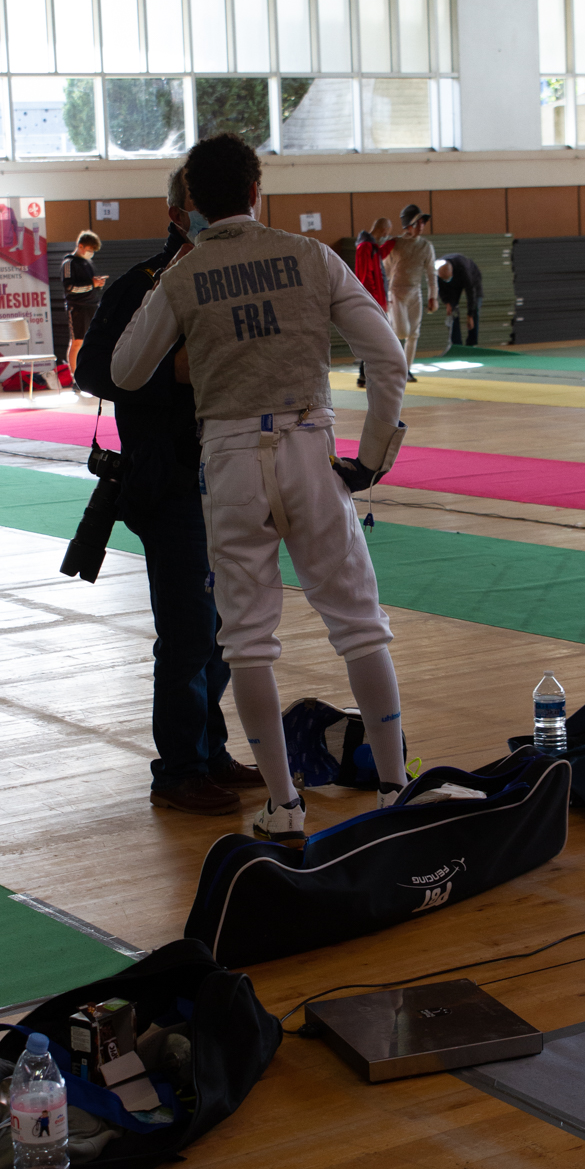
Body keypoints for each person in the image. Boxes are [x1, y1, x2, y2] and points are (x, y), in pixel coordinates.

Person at [111, 133, 409, 847]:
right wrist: (371, 459)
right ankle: (395, 788)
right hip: (309, 446)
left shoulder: (184, 273)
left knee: (246, 642)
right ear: (255, 190)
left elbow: (124, 371)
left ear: (190, 202)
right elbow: (388, 359)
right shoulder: (312, 256)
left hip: (230, 463)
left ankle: (283, 806)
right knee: (359, 625)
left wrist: (178, 289)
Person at [75, 171, 265, 817]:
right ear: (177, 211)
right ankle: (179, 769)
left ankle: (208, 751)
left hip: (233, 472)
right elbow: (92, 369)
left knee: (225, 628)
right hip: (171, 479)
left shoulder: (237, 277)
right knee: (188, 632)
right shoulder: (142, 284)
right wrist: (172, 373)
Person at [384, 204, 438, 382]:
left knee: (414, 334)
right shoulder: (395, 244)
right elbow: (386, 270)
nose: (421, 226)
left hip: (415, 292)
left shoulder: (426, 246)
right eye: (417, 223)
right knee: (401, 332)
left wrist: (433, 296)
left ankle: (406, 371)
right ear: (408, 225)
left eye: (423, 223)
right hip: (396, 293)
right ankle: (392, 365)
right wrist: (384, 295)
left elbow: (431, 273)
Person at [353, 217, 394, 388]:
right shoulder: (365, 247)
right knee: (374, 339)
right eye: (387, 232)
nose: (387, 235)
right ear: (383, 230)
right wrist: (375, 302)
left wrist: (392, 244)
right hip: (373, 302)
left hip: (377, 301)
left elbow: (379, 257)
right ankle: (365, 374)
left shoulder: (372, 247)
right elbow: (365, 277)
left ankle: (365, 375)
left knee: (375, 338)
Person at [62, 230, 107, 376]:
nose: (91, 253)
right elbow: (70, 288)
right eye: (89, 249)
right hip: (77, 307)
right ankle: (75, 376)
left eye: (93, 250)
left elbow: (91, 284)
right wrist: (92, 284)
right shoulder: (69, 263)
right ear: (80, 246)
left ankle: (91, 374)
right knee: (77, 342)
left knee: (92, 341)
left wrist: (98, 284)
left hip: (92, 305)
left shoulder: (88, 263)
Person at [436, 253, 483, 350]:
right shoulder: (438, 271)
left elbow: (471, 292)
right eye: (444, 279)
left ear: (451, 272)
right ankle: (457, 344)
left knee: (475, 309)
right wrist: (447, 303)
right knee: (453, 312)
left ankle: (472, 344)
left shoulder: (463, 269)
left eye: (447, 278)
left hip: (473, 278)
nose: (445, 280)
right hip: (453, 285)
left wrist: (470, 315)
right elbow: (440, 290)